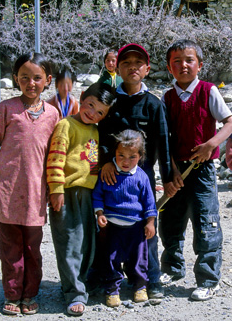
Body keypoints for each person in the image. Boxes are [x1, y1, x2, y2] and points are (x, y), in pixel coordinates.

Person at [0, 52, 60, 316]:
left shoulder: (52, 114)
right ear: (16, 79)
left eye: (37, 78)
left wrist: (55, 188)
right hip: (6, 188)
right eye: (24, 78)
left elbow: (56, 154)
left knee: (32, 247)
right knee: (10, 246)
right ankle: (13, 294)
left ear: (48, 80)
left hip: (36, 191)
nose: (31, 83)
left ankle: (30, 294)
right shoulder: (7, 108)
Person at [96, 43, 175, 301]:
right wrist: (106, 161)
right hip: (111, 178)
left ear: (147, 69)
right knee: (112, 229)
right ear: (117, 68)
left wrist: (168, 178)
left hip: (144, 179)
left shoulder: (153, 104)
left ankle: (150, 280)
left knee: (147, 229)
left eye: (138, 63)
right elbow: (102, 137)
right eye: (126, 63)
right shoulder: (111, 101)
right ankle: (108, 280)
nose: (132, 67)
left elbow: (163, 142)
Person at [159, 39, 232, 301]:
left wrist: (212, 143)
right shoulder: (167, 98)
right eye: (176, 61)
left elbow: (229, 122)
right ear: (169, 67)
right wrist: (170, 170)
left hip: (202, 171)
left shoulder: (208, 91)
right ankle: (172, 268)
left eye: (189, 60)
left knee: (206, 222)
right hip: (175, 171)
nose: (183, 65)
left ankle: (209, 279)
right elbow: (164, 136)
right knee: (170, 221)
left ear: (199, 65)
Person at [47, 82, 116, 317]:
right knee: (69, 243)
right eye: (90, 106)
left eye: (100, 113)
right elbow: (55, 158)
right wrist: (56, 189)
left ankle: (82, 283)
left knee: (87, 243)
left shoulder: (95, 130)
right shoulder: (66, 126)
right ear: (82, 98)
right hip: (67, 193)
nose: (92, 114)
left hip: (89, 194)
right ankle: (73, 292)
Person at [92, 129, 157, 307]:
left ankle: (139, 287)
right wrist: (100, 214)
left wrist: (150, 223)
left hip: (136, 227)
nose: (125, 161)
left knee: (138, 259)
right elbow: (98, 195)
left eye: (132, 157)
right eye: (121, 155)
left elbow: (149, 203)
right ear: (115, 152)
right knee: (111, 258)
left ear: (140, 156)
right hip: (111, 226)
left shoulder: (141, 177)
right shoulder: (107, 174)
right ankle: (112, 289)